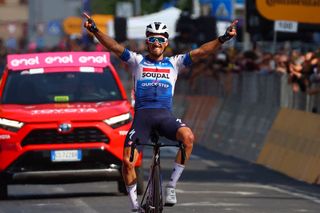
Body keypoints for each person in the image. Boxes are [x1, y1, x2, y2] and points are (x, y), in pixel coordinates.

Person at [83, 12, 237, 213]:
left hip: (165, 117)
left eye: (160, 39)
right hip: (142, 119)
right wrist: (95, 30)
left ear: (166, 43)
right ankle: (136, 206)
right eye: (152, 39)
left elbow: (201, 51)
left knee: (188, 137)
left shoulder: (175, 62)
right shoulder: (137, 61)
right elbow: (114, 46)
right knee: (127, 162)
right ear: (147, 42)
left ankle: (171, 186)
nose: (156, 43)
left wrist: (223, 38)